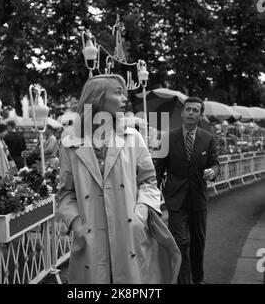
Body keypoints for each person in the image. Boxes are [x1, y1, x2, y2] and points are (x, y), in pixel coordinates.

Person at [56, 74, 181, 284]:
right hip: (91, 238)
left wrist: (140, 215)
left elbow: (149, 181)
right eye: (118, 92)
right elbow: (65, 193)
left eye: (124, 93)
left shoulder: (133, 137)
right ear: (97, 98)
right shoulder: (70, 144)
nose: (125, 99)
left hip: (129, 235)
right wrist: (77, 224)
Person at [155, 97, 220, 284]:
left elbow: (216, 164)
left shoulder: (208, 139)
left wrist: (212, 172)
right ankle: (183, 280)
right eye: (188, 109)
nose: (191, 113)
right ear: (182, 113)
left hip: (198, 199)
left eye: (195, 110)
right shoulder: (168, 138)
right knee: (180, 242)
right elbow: (159, 169)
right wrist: (152, 197)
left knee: (198, 242)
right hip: (175, 199)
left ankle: (198, 279)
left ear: (200, 115)